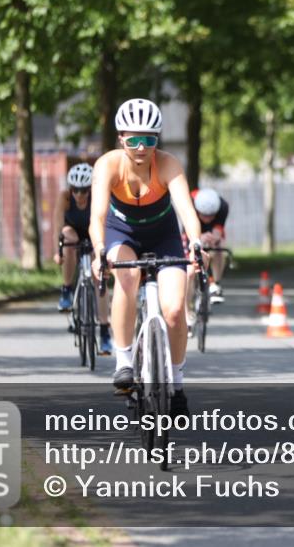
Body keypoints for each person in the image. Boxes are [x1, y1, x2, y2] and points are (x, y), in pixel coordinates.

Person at [89, 98, 203, 417]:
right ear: (121, 138)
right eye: (134, 139)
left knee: (175, 310)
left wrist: (195, 242)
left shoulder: (168, 164)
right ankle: (124, 361)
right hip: (120, 233)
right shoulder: (108, 165)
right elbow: (97, 217)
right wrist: (99, 251)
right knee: (127, 276)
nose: (141, 147)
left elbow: (186, 210)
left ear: (157, 140)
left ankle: (177, 383)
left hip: (163, 235)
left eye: (149, 140)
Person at [54, 163, 113, 352]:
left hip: (94, 234)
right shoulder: (64, 198)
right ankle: (66, 289)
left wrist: (104, 251)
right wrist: (58, 250)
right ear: (70, 189)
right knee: (68, 241)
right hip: (72, 233)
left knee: (99, 278)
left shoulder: (99, 196)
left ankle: (104, 331)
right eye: (75, 190)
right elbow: (58, 225)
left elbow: (107, 223)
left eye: (84, 191)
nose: (79, 195)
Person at [190, 188, 229, 305]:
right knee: (190, 248)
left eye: (211, 216)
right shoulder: (190, 203)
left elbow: (218, 230)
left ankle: (216, 284)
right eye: (205, 216)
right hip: (193, 223)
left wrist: (214, 239)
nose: (207, 219)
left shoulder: (223, 207)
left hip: (211, 229)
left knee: (218, 246)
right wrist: (199, 238)